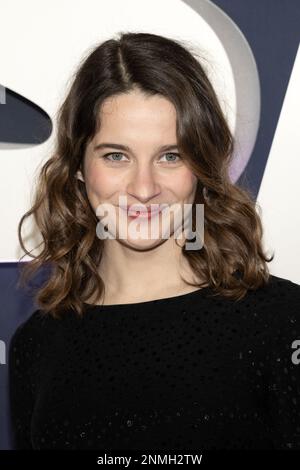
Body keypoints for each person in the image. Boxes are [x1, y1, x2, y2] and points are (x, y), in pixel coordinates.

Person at [9, 31, 300, 450]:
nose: (143, 188)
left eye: (170, 156)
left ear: (202, 167)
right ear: (77, 167)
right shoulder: (36, 347)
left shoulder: (281, 323)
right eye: (116, 156)